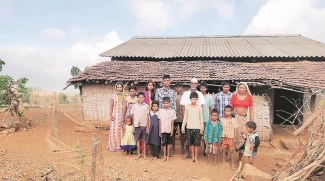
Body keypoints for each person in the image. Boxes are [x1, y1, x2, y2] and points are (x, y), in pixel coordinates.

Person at [229, 82, 254, 164]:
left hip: (244, 120)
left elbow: (251, 110)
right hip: (235, 118)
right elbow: (230, 108)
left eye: (243, 88)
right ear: (237, 88)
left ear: (246, 89)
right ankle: (230, 158)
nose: (242, 89)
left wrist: (251, 122)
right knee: (232, 137)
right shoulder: (234, 96)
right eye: (240, 88)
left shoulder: (249, 97)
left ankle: (239, 159)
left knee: (243, 138)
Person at [180, 78, 205, 159]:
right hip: (188, 119)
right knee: (188, 138)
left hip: (196, 121)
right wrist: (185, 119)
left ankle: (196, 155)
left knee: (196, 139)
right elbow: (183, 107)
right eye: (192, 83)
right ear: (190, 84)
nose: (193, 85)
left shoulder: (200, 94)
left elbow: (201, 107)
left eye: (195, 83)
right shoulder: (185, 94)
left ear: (197, 85)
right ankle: (187, 153)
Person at [107, 82, 126, 152]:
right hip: (115, 115)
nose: (119, 89)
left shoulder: (124, 95)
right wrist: (110, 115)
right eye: (118, 87)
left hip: (121, 115)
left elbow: (124, 107)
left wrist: (123, 116)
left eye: (120, 87)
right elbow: (111, 105)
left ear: (122, 88)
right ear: (116, 88)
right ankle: (114, 146)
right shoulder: (113, 96)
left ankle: (121, 146)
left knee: (121, 130)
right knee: (114, 130)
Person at [130, 92, 149, 160]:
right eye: (139, 97)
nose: (141, 99)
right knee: (138, 140)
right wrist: (133, 125)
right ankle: (138, 154)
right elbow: (133, 116)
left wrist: (147, 125)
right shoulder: (134, 106)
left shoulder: (146, 106)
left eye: (142, 97)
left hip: (144, 124)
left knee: (144, 140)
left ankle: (144, 154)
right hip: (137, 125)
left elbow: (147, 116)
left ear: (144, 98)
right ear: (137, 98)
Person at [220, 105, 239, 170]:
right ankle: (223, 161)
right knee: (223, 149)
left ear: (231, 112)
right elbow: (221, 129)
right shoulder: (222, 119)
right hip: (224, 136)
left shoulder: (234, 120)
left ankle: (233, 164)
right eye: (226, 111)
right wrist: (220, 137)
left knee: (231, 150)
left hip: (231, 137)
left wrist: (235, 137)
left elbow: (235, 129)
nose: (227, 112)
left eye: (228, 111)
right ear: (224, 111)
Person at [158, 97, 177, 161]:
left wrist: (172, 130)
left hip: (169, 129)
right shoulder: (160, 111)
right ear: (162, 103)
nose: (166, 104)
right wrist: (160, 130)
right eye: (164, 103)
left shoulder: (172, 111)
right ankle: (164, 156)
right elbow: (160, 121)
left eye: (167, 103)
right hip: (163, 129)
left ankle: (168, 156)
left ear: (170, 103)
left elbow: (172, 122)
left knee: (169, 143)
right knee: (163, 143)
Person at [200, 81, 213, 156]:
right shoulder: (197, 96)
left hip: (206, 119)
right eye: (201, 88)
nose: (203, 89)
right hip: (198, 119)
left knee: (206, 135)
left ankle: (206, 151)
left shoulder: (209, 97)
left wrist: (210, 118)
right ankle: (197, 151)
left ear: (206, 89)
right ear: (200, 88)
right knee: (198, 136)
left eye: (204, 88)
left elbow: (210, 108)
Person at [172, 81, 184, 154]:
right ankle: (173, 149)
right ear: (175, 88)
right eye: (177, 87)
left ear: (182, 88)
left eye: (180, 87)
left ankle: (183, 148)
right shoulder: (173, 95)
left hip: (183, 118)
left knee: (183, 134)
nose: (179, 88)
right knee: (173, 133)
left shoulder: (185, 95)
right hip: (175, 118)